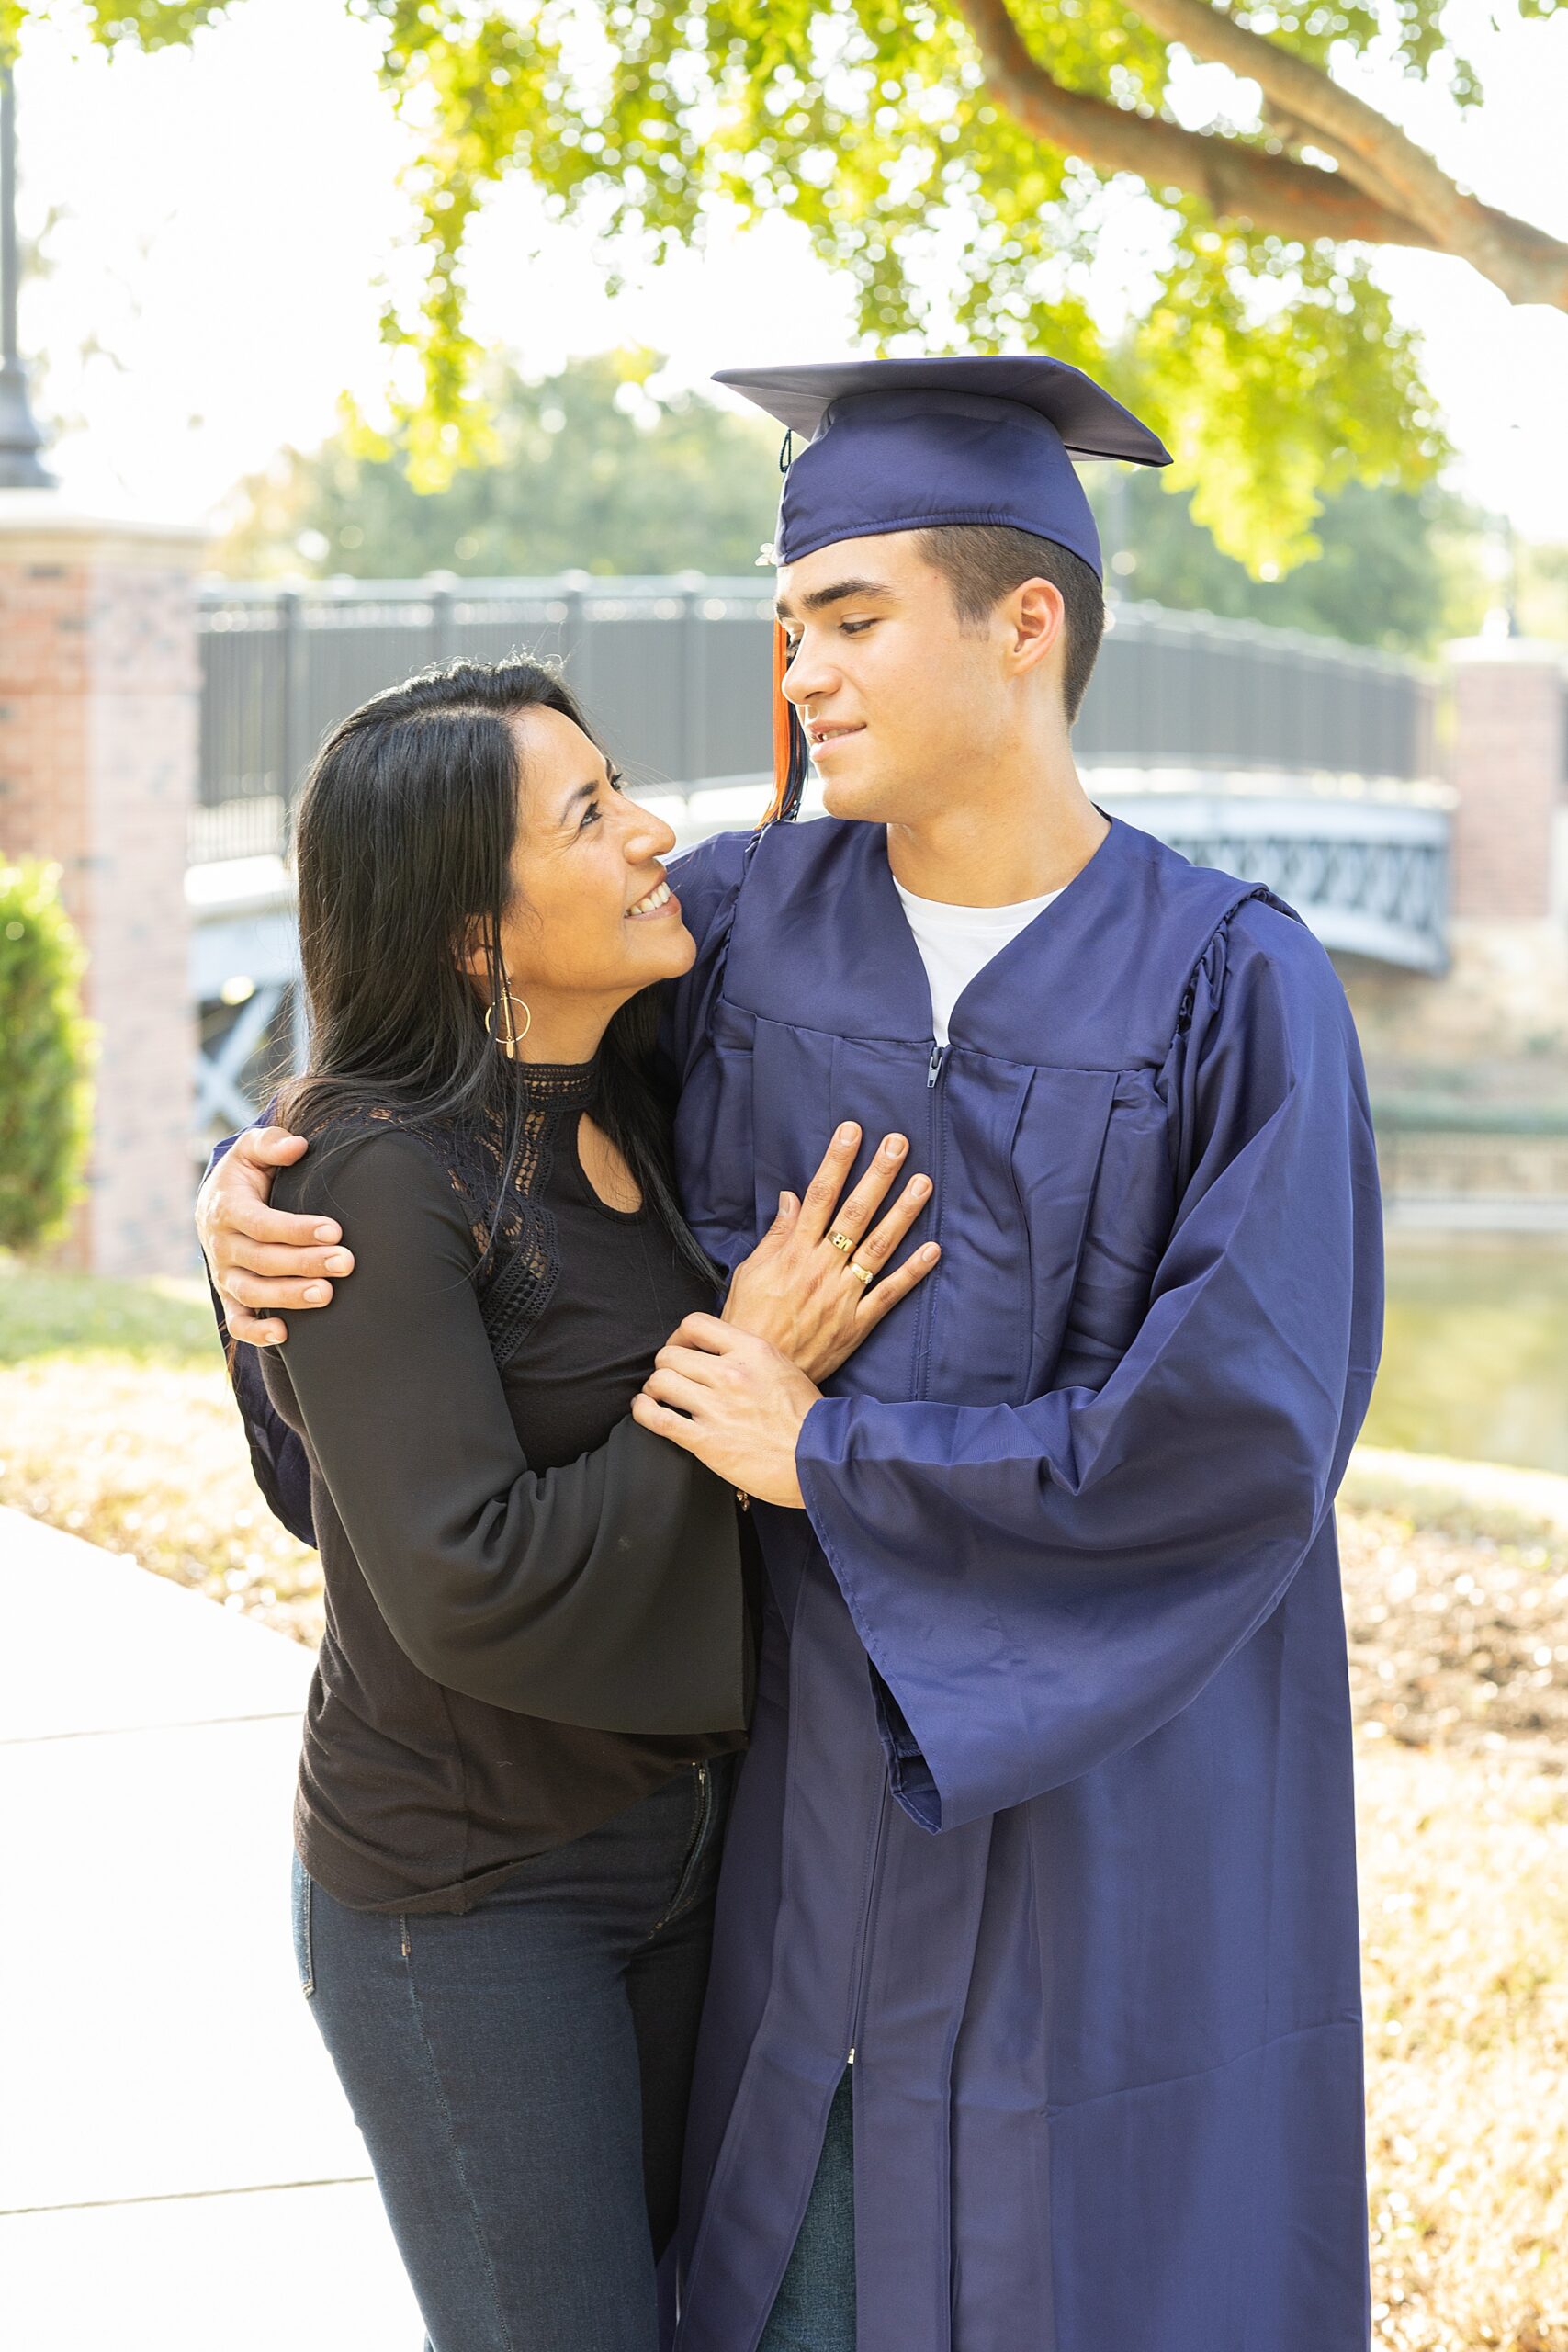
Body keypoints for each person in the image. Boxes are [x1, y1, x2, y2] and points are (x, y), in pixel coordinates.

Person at [200, 354, 1383, 2352]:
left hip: (1113, 1787)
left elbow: (1240, 1432)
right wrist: (252, 1203)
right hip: (783, 1801)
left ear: (1022, 627)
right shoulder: (739, 930)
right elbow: (468, 1138)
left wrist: (824, 1457)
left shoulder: (1228, 985)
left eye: (847, 620)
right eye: (785, 627)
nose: (798, 673)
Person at [198, 656, 939, 2352]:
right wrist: (734, 1382)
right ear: (473, 934)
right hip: (471, 1900)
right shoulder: (377, 1171)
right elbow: (459, 1575)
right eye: (590, 815)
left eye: (620, 787)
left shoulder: (639, 1087)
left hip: (692, 1855)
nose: (652, 830)